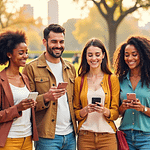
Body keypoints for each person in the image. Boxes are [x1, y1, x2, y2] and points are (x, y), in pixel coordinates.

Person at [23, 24, 77, 150]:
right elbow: (25, 104)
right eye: (54, 41)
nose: (58, 45)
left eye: (61, 41)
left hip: (70, 136)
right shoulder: (31, 68)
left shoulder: (71, 68)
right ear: (44, 42)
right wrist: (46, 97)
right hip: (46, 138)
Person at [73, 38, 120, 150]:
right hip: (85, 136)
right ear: (85, 56)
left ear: (103, 55)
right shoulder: (79, 80)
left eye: (97, 54)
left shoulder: (112, 79)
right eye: (90, 55)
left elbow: (116, 112)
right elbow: (75, 111)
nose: (94, 58)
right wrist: (85, 110)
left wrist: (105, 111)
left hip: (107, 137)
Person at [0, 30, 38, 149]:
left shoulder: (25, 78)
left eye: (26, 52)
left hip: (27, 138)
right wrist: (17, 108)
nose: (25, 56)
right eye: (21, 53)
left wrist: (32, 103)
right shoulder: (1, 80)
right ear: (9, 54)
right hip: (9, 140)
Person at [113, 36, 150, 150]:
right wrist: (123, 107)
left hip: (147, 138)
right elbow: (116, 113)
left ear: (142, 55)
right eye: (127, 54)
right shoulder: (120, 80)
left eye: (134, 54)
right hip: (126, 137)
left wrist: (142, 108)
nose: (130, 58)